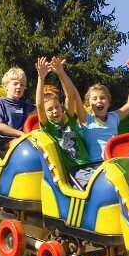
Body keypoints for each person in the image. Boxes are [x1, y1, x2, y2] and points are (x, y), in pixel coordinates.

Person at [34, 56, 91, 186]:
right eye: (50, 110)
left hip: (89, 166)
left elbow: (70, 95)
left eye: (57, 107)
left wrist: (61, 72)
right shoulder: (48, 127)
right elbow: (39, 106)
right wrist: (41, 78)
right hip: (75, 173)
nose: (55, 111)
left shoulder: (68, 121)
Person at [80, 62, 129, 162]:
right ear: (89, 104)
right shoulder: (87, 119)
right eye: (94, 99)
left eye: (102, 98)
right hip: (97, 165)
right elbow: (72, 96)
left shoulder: (113, 117)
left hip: (114, 162)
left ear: (108, 103)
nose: (99, 101)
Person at [0, 66, 35, 156]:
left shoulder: (25, 106)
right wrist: (21, 134)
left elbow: (40, 110)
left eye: (22, 85)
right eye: (15, 84)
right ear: (6, 85)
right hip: (2, 143)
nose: (19, 87)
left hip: (22, 141)